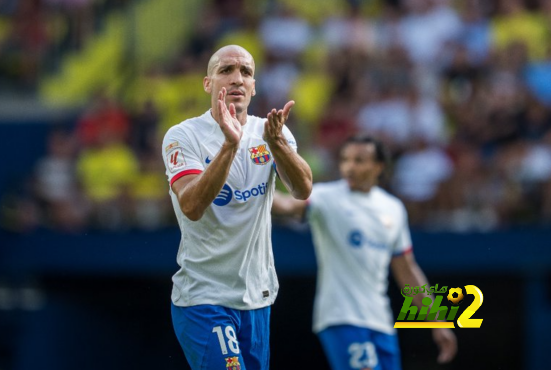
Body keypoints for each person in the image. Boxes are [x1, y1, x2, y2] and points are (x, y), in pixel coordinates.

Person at [161, 44, 313, 370]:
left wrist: (278, 146)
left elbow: (302, 189)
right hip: (204, 298)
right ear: (208, 83)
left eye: (245, 72)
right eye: (226, 70)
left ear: (254, 86)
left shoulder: (271, 132)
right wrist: (230, 145)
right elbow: (192, 206)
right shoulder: (183, 136)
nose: (237, 79)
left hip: (258, 296)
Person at [272, 134, 457, 370]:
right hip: (341, 317)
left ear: (379, 166)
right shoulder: (326, 196)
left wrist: (436, 320)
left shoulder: (394, 208)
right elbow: (287, 205)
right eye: (345, 160)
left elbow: (407, 270)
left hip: (381, 323)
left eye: (359, 160)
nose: (350, 167)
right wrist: (254, 192)